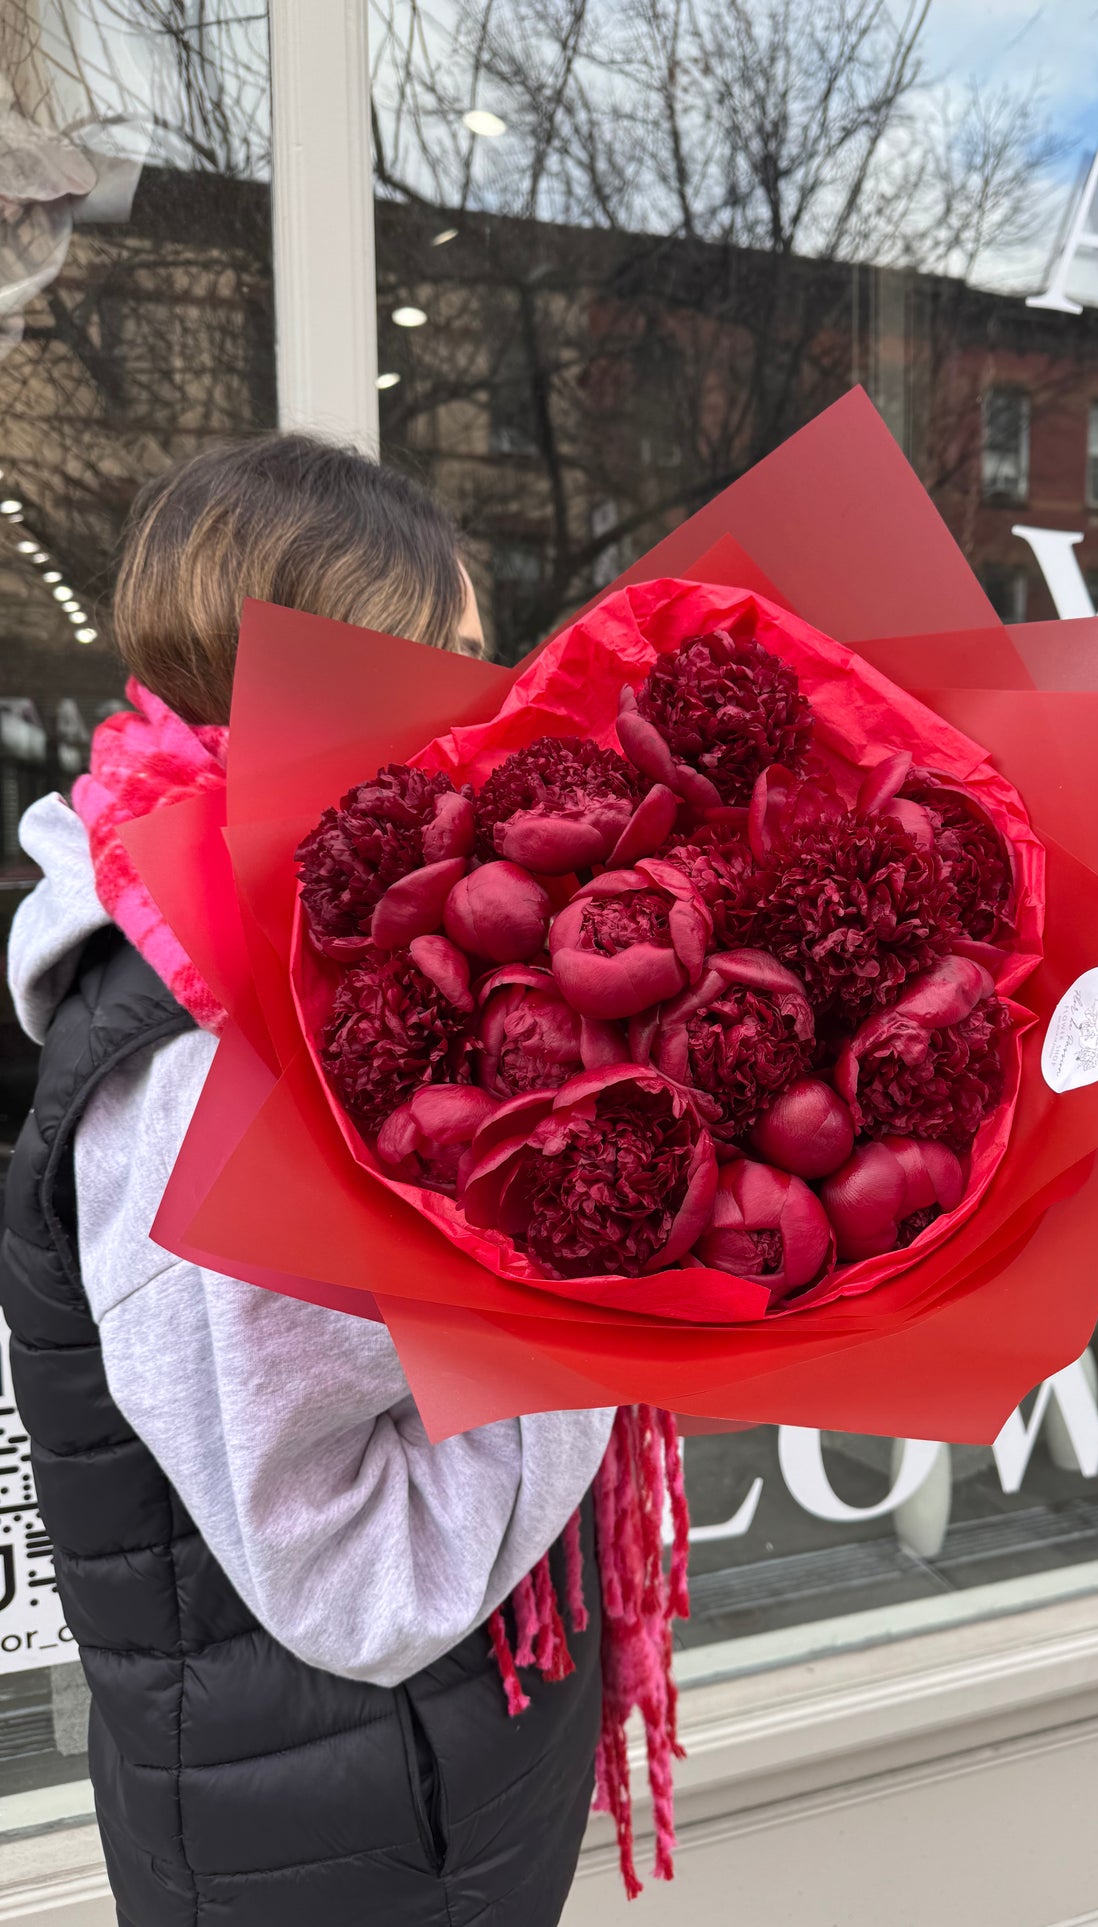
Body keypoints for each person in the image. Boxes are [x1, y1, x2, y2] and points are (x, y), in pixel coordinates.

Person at [1, 437, 621, 1927]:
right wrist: (610, 1309)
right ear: (335, 679)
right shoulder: (202, 1044)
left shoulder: (310, 946)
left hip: (407, 1785)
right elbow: (357, 1574)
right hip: (348, 1839)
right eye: (459, 664)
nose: (497, 709)